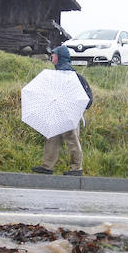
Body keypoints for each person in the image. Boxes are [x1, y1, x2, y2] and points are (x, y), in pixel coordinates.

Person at [31, 45, 93, 176]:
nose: (51, 57)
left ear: (58, 57)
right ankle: (47, 166)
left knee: (71, 138)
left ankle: (77, 169)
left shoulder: (71, 76)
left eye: (53, 55)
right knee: (52, 137)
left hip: (70, 113)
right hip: (57, 111)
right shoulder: (66, 75)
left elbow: (87, 99)